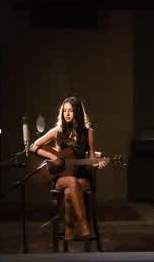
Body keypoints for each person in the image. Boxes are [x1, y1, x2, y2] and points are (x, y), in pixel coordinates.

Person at [29, 96, 106, 240]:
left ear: (77, 112)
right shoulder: (58, 131)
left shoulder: (88, 132)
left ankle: (68, 228)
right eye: (64, 111)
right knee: (71, 181)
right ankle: (84, 226)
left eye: (70, 110)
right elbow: (33, 147)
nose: (67, 113)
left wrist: (98, 163)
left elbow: (91, 158)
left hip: (81, 176)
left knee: (68, 192)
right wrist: (53, 157)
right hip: (61, 177)